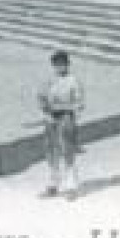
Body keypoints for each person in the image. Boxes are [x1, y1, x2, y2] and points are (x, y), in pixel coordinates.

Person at [37, 50, 86, 199]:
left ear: (67, 65)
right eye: (57, 65)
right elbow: (41, 97)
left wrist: (67, 108)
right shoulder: (49, 81)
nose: (60, 67)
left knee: (67, 150)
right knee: (51, 151)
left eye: (63, 64)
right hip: (51, 118)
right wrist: (46, 111)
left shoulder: (73, 81)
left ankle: (71, 186)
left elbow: (79, 103)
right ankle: (53, 184)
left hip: (66, 117)